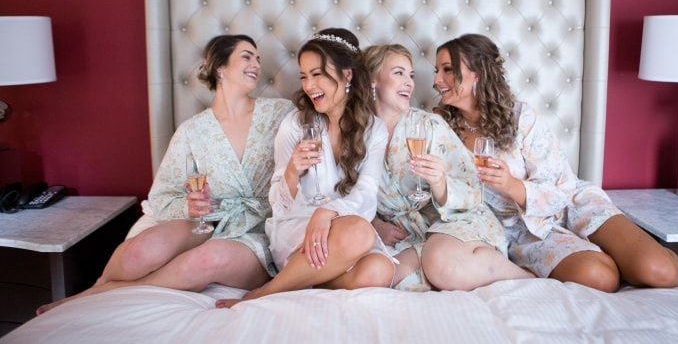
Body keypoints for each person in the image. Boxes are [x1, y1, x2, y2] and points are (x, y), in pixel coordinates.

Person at [37, 34, 293, 314]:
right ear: (220, 67)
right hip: (210, 220)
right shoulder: (192, 131)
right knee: (143, 249)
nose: (256, 63)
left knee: (204, 260)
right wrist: (190, 205)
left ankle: (99, 294)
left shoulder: (280, 113)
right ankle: (101, 283)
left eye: (258, 58)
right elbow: (161, 196)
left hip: (261, 228)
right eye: (247, 56)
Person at [433, 33, 678, 292]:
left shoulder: (521, 116)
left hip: (571, 205)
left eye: (448, 70)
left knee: (658, 270)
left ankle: (638, 260)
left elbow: (558, 187)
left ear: (478, 73)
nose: (436, 80)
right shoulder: (439, 127)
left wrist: (511, 185)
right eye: (436, 71)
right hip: (523, 233)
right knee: (600, 277)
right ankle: (606, 259)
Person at [217, 28, 391, 307]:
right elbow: (278, 203)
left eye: (317, 74)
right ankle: (268, 292)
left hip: (342, 227)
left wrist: (329, 212)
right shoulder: (295, 125)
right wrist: (291, 172)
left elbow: (367, 194)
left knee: (378, 271)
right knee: (360, 232)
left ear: (347, 75)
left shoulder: (374, 130)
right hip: (298, 227)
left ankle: (308, 279)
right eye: (304, 76)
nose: (309, 85)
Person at [363, 44, 532, 291]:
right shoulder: (357, 137)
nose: (410, 83)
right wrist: (375, 224)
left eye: (411, 76)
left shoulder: (429, 126)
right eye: (399, 73)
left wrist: (440, 184)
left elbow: (473, 189)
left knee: (441, 263)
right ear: (372, 80)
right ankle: (439, 268)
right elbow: (346, 192)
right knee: (381, 277)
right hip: (408, 233)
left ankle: (526, 277)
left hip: (457, 220)